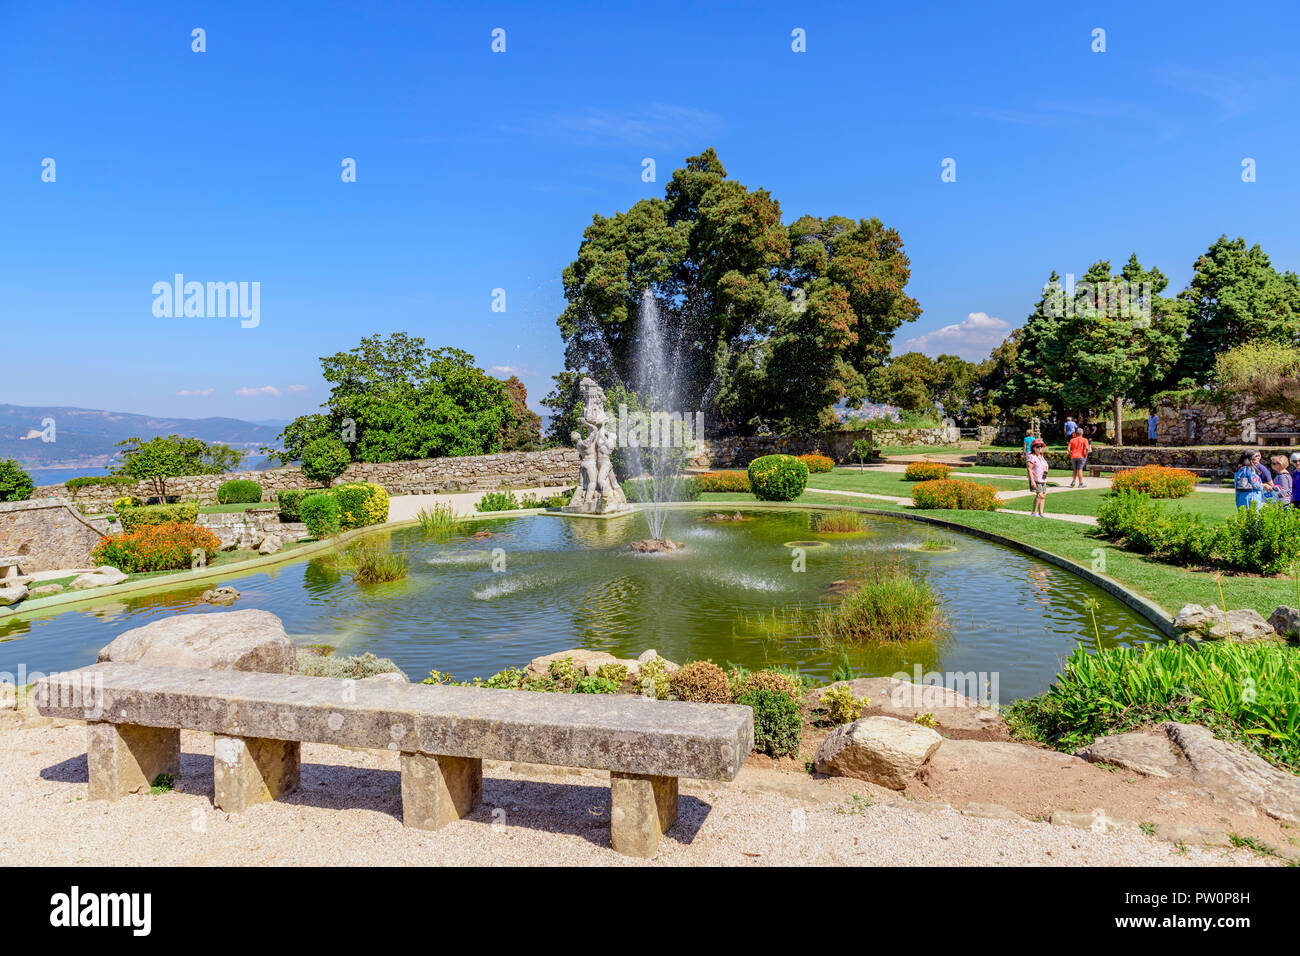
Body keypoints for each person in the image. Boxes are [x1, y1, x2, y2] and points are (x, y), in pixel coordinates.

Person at [1026, 439, 1050, 517]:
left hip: (1043, 479)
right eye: (1037, 446)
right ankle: (1034, 512)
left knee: (1043, 496)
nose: (1039, 448)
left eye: (1041, 446)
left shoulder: (1041, 456)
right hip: (1036, 479)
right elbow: (1029, 469)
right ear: (1033, 447)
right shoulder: (1031, 456)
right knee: (1039, 495)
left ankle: (1041, 513)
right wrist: (1032, 481)